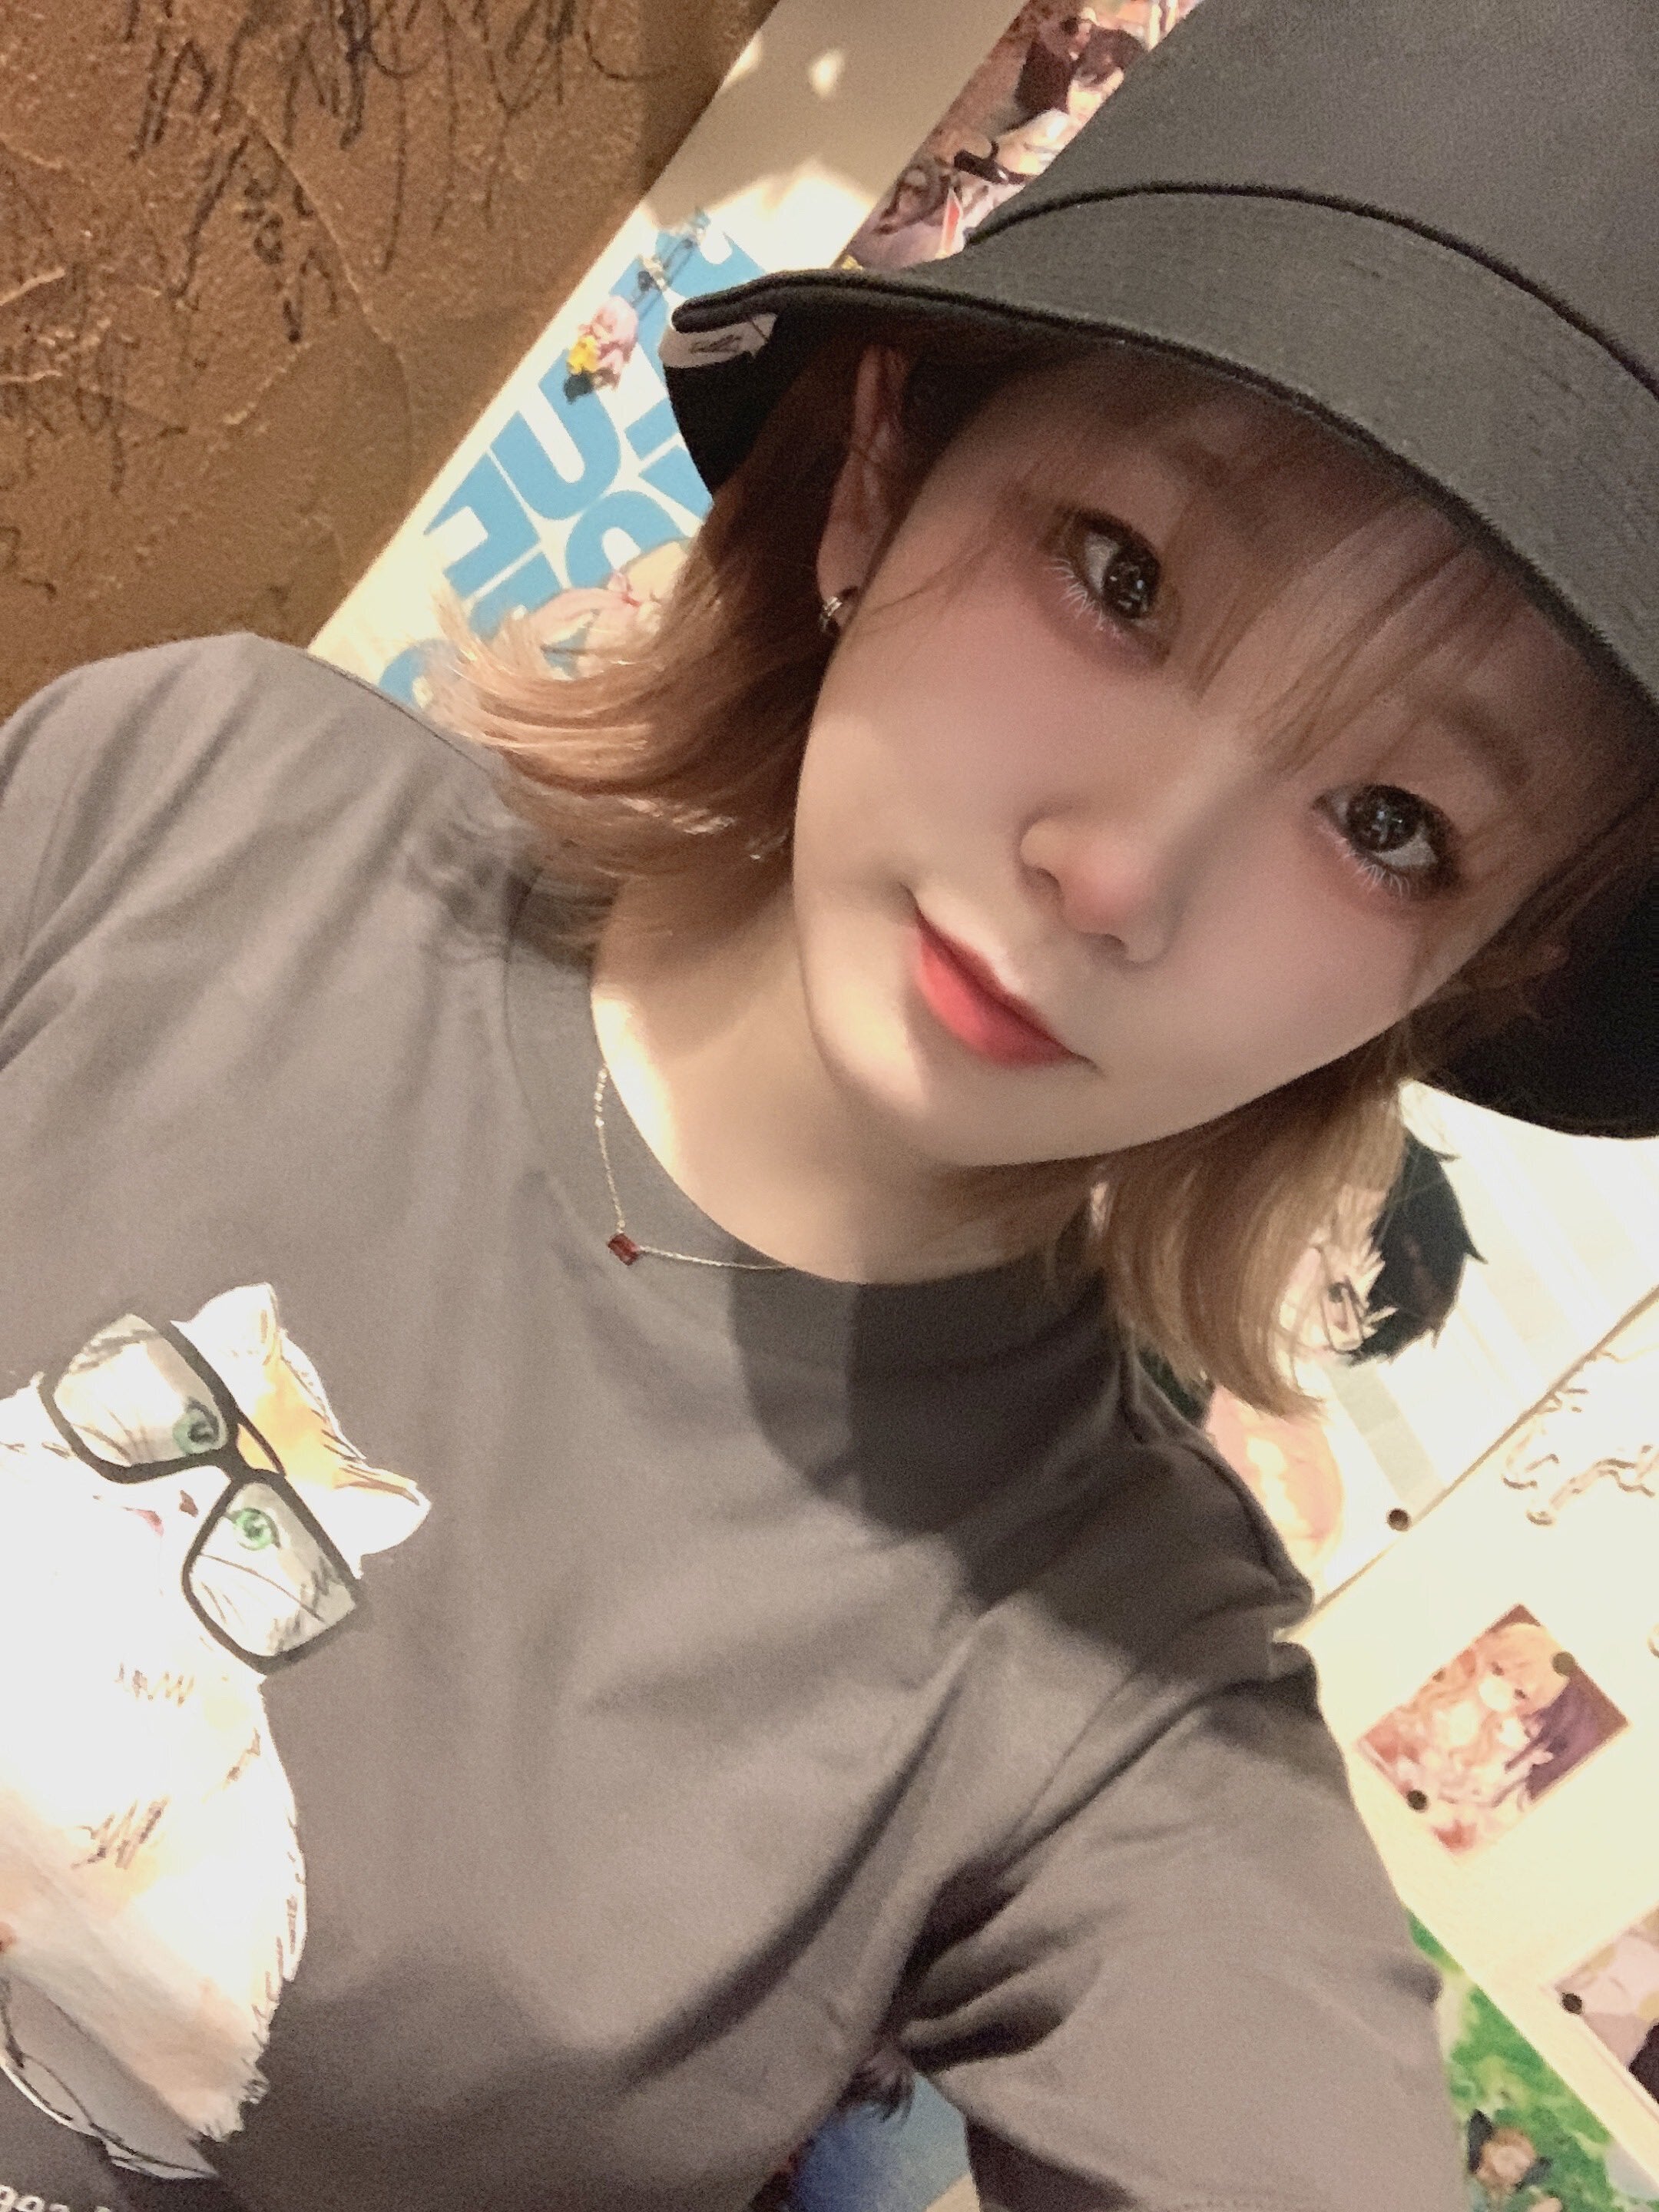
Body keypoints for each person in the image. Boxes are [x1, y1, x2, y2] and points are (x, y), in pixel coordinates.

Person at [1, 5, 1656, 2211]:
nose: (1118, 875)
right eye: (1124, 574)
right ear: (884, 471)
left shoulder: (1107, 1692)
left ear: (1467, 974)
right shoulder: (190, 804)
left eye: (1389, 822)